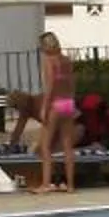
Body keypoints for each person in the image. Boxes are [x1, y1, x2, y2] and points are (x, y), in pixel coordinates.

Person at [35, 32, 79, 191]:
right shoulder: (66, 60)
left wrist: (44, 107)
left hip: (55, 104)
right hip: (68, 103)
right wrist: (73, 102)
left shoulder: (48, 61)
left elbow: (50, 85)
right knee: (68, 146)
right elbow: (72, 83)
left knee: (45, 146)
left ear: (45, 46)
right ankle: (71, 185)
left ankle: (46, 184)